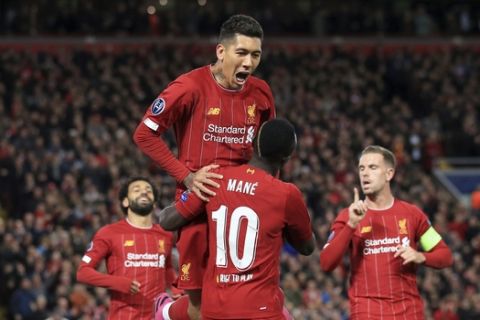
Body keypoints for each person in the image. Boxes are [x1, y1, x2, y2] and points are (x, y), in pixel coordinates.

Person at [133, 14, 275, 319]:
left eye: (255, 54)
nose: (249, 63)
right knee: (200, 306)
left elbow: (268, 151)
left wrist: (269, 196)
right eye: (242, 53)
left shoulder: (261, 93)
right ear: (221, 51)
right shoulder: (188, 87)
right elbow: (144, 134)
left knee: (243, 298)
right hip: (196, 206)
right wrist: (186, 175)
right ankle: (168, 312)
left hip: (240, 210)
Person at [156, 119, 315, 320]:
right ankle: (168, 312)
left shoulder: (216, 178)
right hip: (260, 310)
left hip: (214, 309)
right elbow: (307, 247)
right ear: (287, 158)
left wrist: (193, 184)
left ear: (252, 144)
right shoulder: (286, 194)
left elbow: (166, 220)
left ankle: (166, 312)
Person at [320, 145, 453, 320]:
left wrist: (421, 256)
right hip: (367, 313)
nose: (365, 173)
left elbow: (445, 255)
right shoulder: (348, 216)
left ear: (389, 174)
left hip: (409, 313)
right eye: (361, 168)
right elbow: (326, 263)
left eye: (372, 167)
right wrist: (351, 225)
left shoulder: (412, 214)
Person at [76, 177, 176, 320]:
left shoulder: (165, 234)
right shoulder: (108, 233)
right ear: (125, 201)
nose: (144, 193)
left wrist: (176, 287)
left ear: (154, 203)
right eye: (137, 190)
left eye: (148, 191)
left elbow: (167, 268)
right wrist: (118, 282)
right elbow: (83, 273)